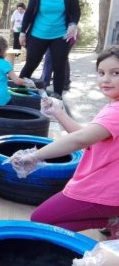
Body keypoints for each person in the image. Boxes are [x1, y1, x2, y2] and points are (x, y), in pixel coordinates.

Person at [7, 46, 119, 240]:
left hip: (103, 191)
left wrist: (34, 156)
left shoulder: (115, 111)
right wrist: (58, 112)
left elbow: (79, 139)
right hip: (109, 190)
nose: (105, 79)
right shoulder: (112, 106)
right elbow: (86, 136)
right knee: (49, 221)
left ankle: (110, 219)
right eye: (101, 73)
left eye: (115, 73)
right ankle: (111, 219)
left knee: (40, 219)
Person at [19, 0, 80, 98]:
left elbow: (76, 11)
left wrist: (73, 24)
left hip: (60, 35)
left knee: (59, 67)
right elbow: (29, 12)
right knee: (31, 64)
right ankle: (19, 93)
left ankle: (57, 98)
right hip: (37, 34)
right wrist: (22, 32)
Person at [0, 35, 36, 105]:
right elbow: (16, 81)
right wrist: (27, 82)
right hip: (4, 101)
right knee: (15, 108)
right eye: (5, 51)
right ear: (2, 51)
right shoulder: (5, 64)